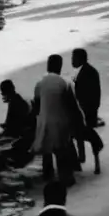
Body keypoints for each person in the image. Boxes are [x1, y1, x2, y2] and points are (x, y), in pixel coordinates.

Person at [33, 55, 84, 187]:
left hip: (43, 121)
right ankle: (65, 178)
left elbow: (36, 105)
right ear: (60, 66)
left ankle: (48, 176)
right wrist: (78, 122)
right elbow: (72, 105)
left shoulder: (40, 83)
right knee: (62, 151)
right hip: (60, 121)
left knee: (47, 151)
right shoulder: (64, 83)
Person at [71, 49, 104, 175]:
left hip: (86, 111)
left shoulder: (87, 73)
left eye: (73, 58)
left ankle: (87, 158)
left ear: (80, 59)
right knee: (82, 134)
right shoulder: (86, 71)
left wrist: (88, 110)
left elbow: (92, 94)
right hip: (87, 110)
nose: (72, 61)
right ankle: (83, 157)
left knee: (85, 134)